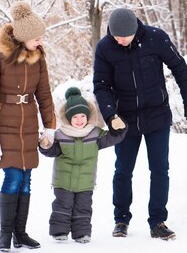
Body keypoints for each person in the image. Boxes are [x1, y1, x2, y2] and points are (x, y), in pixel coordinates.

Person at [93, 7, 187, 240]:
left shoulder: (155, 38)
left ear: (135, 31)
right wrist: (111, 115)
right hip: (125, 120)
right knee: (123, 170)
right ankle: (121, 219)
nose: (119, 40)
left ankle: (158, 221)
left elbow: (179, 67)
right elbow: (101, 85)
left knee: (160, 169)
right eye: (115, 36)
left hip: (157, 115)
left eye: (123, 36)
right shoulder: (105, 48)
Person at [0, 1, 56, 252]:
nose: (40, 41)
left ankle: (20, 233)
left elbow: (44, 95)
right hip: (5, 126)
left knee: (26, 178)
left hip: (28, 125)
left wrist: (50, 127)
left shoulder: (38, 59)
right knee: (13, 177)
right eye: (36, 37)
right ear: (22, 37)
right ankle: (5, 234)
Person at [38, 87, 127, 243]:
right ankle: (59, 231)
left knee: (83, 208)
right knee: (62, 206)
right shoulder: (60, 134)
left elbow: (113, 137)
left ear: (88, 116)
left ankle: (82, 233)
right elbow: (52, 150)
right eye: (75, 117)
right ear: (68, 118)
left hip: (86, 182)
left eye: (82, 116)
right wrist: (45, 145)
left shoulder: (95, 133)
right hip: (63, 180)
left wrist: (120, 127)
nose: (79, 120)